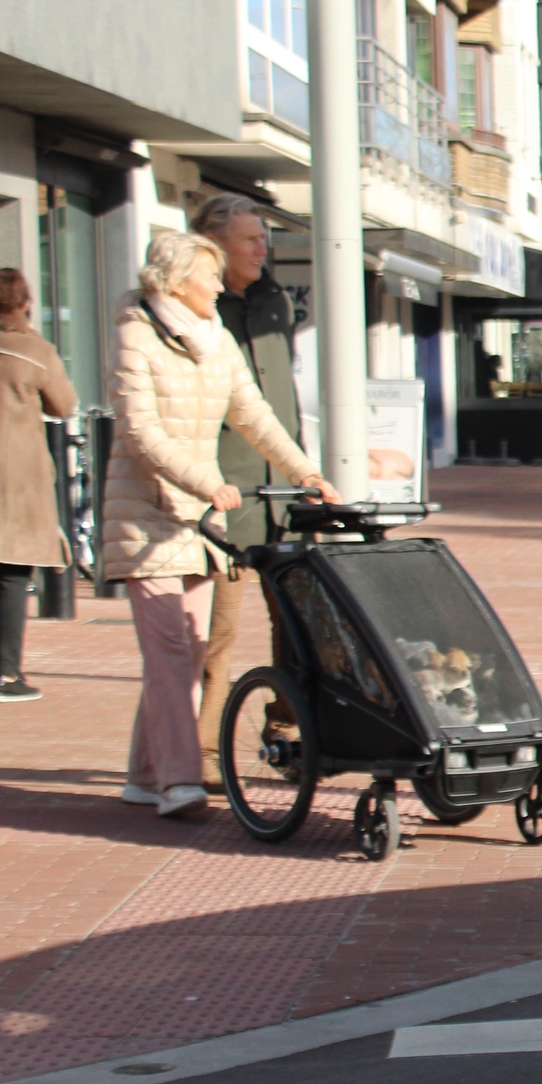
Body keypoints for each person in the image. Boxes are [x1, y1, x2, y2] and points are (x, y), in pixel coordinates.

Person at [105, 231, 332, 819]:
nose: (216, 285)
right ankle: (179, 781)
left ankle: (143, 774)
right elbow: (140, 431)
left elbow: (254, 414)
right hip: (145, 515)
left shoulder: (217, 338)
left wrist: (306, 471)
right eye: (207, 276)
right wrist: (205, 481)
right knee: (172, 651)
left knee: (190, 648)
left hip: (198, 518)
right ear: (176, 282)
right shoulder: (136, 334)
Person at [189, 193, 302, 788]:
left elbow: (283, 400)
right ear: (215, 245)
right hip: (225, 497)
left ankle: (286, 730)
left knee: (297, 625)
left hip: (283, 495)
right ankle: (203, 750)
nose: (263, 249)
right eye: (250, 239)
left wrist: (304, 473)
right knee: (219, 636)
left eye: (264, 239)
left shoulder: (274, 301)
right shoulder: (196, 311)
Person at [0, 268, 78, 701]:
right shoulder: (35, 350)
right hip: (9, 470)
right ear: (25, 303)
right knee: (9, 566)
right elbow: (64, 405)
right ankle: (6, 674)